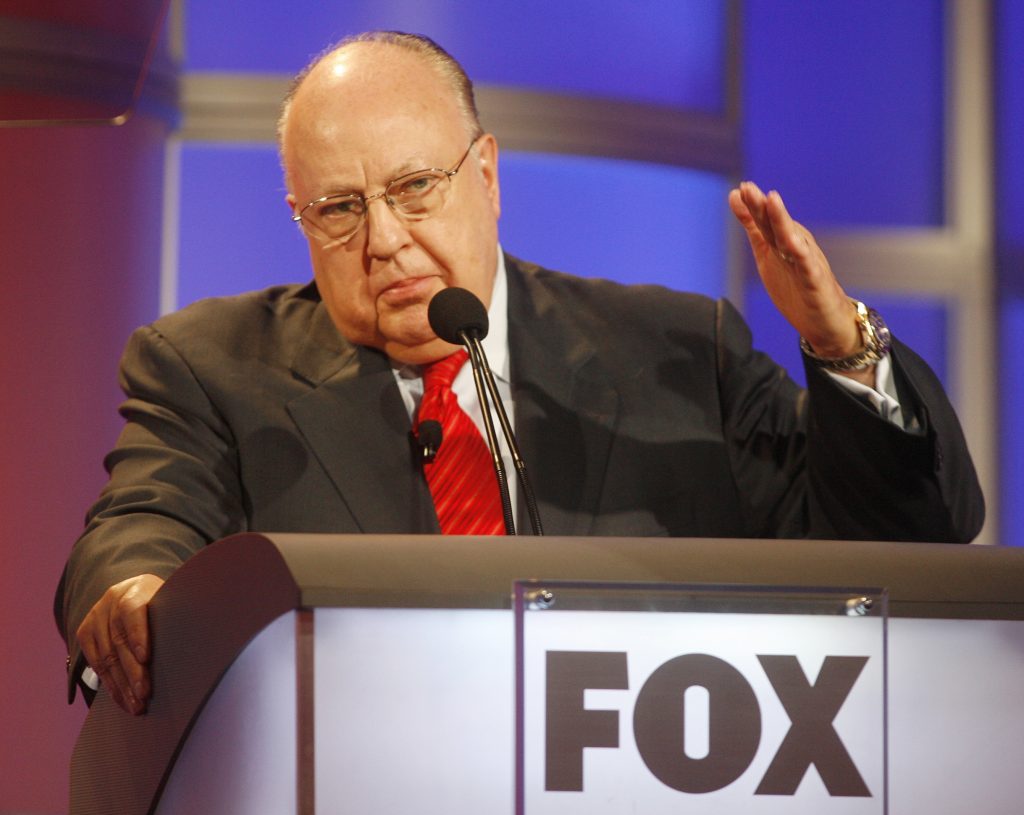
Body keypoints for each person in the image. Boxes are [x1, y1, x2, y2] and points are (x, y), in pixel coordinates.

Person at [55, 31, 984, 716]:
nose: (383, 241)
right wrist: (134, 592)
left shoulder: (675, 352)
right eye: (338, 208)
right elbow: (143, 520)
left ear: (487, 176)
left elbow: (908, 541)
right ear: (300, 216)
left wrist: (843, 349)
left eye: (415, 188)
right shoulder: (212, 365)